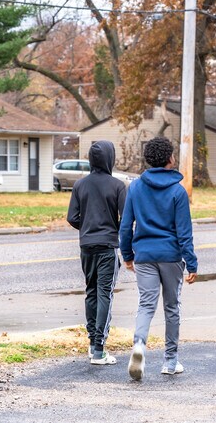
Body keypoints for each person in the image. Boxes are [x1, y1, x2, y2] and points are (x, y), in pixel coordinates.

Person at [119, 137, 198, 381]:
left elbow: (125, 226)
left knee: (146, 304)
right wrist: (191, 263)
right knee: (171, 306)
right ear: (170, 159)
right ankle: (170, 361)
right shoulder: (177, 191)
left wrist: (128, 255)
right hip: (171, 256)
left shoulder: (135, 188)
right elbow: (184, 232)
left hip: (144, 255)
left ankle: (139, 344)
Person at [67, 140, 126, 365]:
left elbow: (72, 217)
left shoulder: (80, 185)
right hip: (107, 247)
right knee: (105, 294)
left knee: (91, 291)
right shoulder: (118, 186)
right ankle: (100, 349)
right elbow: (126, 216)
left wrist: (88, 227)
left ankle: (92, 344)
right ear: (109, 158)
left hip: (86, 246)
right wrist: (113, 230)